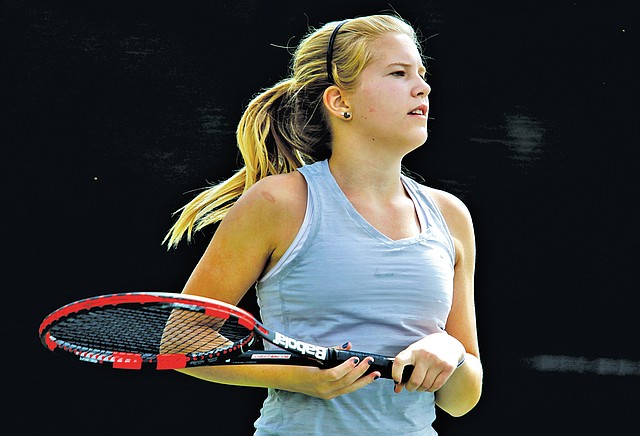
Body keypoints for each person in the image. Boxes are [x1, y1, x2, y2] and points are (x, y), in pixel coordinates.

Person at [164, 13, 482, 435]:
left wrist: (449, 351)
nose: (422, 87)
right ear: (339, 101)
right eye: (398, 72)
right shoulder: (278, 202)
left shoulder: (451, 216)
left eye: (421, 74)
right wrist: (296, 375)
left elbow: (463, 400)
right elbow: (181, 338)